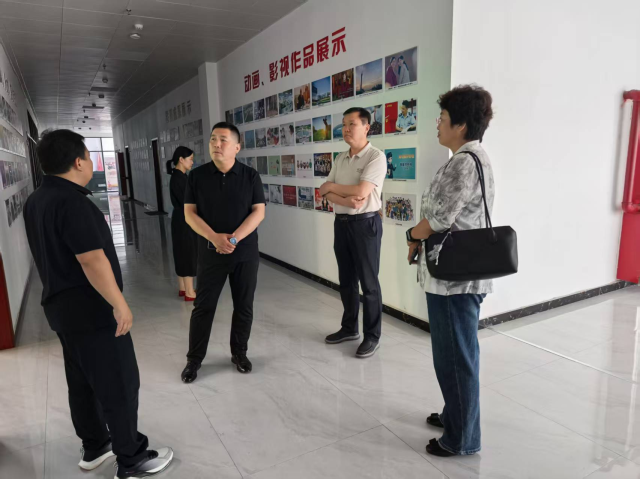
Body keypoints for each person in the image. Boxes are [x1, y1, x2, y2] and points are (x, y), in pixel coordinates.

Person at [23, 129, 173, 478]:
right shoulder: (73, 203)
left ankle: (95, 446)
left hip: (62, 311)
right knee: (119, 383)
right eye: (89, 157)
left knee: (82, 383)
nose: (91, 162)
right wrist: (119, 303)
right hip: (93, 312)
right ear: (78, 162)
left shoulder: (37, 200)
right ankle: (132, 459)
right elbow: (91, 260)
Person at [406, 85, 495, 458]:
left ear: (460, 125)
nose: (437, 124)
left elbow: (439, 219)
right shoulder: (470, 158)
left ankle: (461, 438)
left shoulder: (463, 162)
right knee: (457, 353)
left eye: (442, 118)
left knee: (455, 357)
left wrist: (412, 235)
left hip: (454, 279)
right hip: (458, 274)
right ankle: (454, 415)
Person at [181, 122, 266, 383]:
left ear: (237, 147)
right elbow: (189, 214)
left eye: (223, 140)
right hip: (210, 252)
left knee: (244, 305)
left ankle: (239, 353)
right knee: (203, 307)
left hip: (244, 253)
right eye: (213, 139)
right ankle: (194, 360)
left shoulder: (250, 176)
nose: (216, 144)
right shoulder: (197, 176)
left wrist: (234, 238)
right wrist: (214, 238)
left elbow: (258, 212)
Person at [319, 107, 387, 358]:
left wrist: (332, 187)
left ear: (366, 127)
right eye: (344, 124)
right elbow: (324, 192)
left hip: (365, 225)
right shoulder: (340, 158)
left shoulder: (375, 157)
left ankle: (372, 336)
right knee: (346, 281)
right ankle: (349, 328)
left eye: (352, 124)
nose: (346, 129)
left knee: (369, 284)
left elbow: (361, 191)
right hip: (342, 222)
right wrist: (345, 200)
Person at [167, 146, 197, 301]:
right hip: (185, 219)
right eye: (190, 159)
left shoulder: (178, 176)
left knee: (181, 252)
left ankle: (183, 288)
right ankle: (190, 292)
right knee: (187, 253)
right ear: (181, 159)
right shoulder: (180, 178)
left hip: (180, 218)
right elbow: (189, 201)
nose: (192, 162)